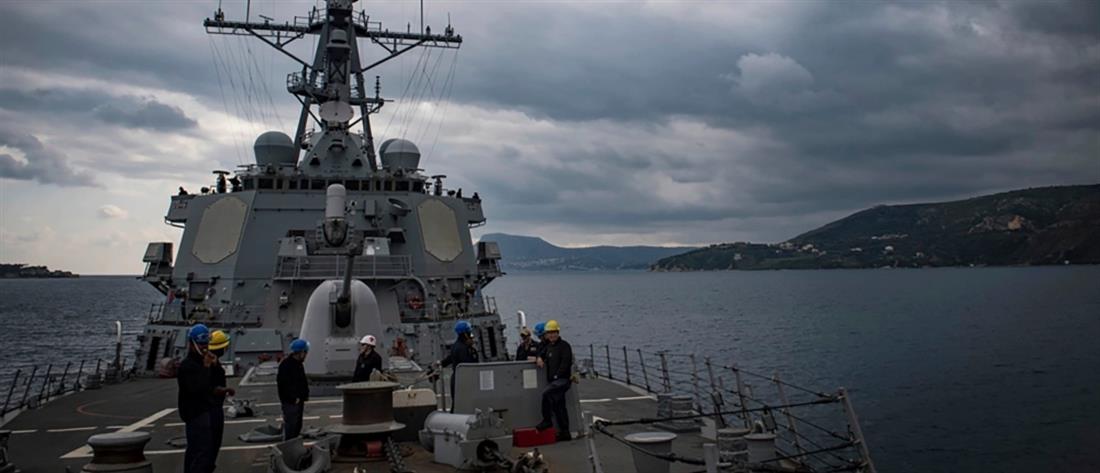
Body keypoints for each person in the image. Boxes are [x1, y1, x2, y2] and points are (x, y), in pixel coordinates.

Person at [177, 323, 216, 473]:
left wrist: (213, 366)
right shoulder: (187, 366)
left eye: (206, 343)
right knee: (200, 452)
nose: (204, 347)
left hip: (204, 411)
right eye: (201, 344)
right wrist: (206, 367)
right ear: (192, 344)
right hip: (195, 413)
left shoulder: (200, 362)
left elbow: (210, 385)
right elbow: (197, 388)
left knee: (198, 451)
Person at [535, 319, 573, 441]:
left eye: (553, 332)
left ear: (558, 332)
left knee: (546, 394)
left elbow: (566, 363)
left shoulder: (564, 346)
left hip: (562, 380)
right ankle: (565, 433)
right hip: (554, 381)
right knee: (559, 406)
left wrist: (557, 375)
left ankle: (547, 421)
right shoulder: (549, 347)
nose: (551, 335)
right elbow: (541, 353)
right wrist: (539, 358)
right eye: (549, 333)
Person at [208, 330, 234, 467]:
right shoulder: (211, 365)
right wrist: (226, 390)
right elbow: (210, 387)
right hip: (211, 409)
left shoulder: (212, 363)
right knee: (210, 444)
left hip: (212, 408)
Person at [441, 321, 479, 411]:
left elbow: (450, 358)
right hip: (463, 381)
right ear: (465, 334)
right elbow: (468, 365)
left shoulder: (456, 346)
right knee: (462, 405)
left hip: (457, 379)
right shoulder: (463, 348)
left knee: (457, 405)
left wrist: (441, 363)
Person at [277, 338, 310, 440]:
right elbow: (283, 385)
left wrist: (304, 395)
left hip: (298, 401)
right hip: (291, 402)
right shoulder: (286, 365)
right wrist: (293, 398)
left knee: (297, 426)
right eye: (305, 352)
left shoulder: (298, 364)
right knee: (291, 427)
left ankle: (293, 445)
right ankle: (289, 446)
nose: (306, 355)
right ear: (300, 352)